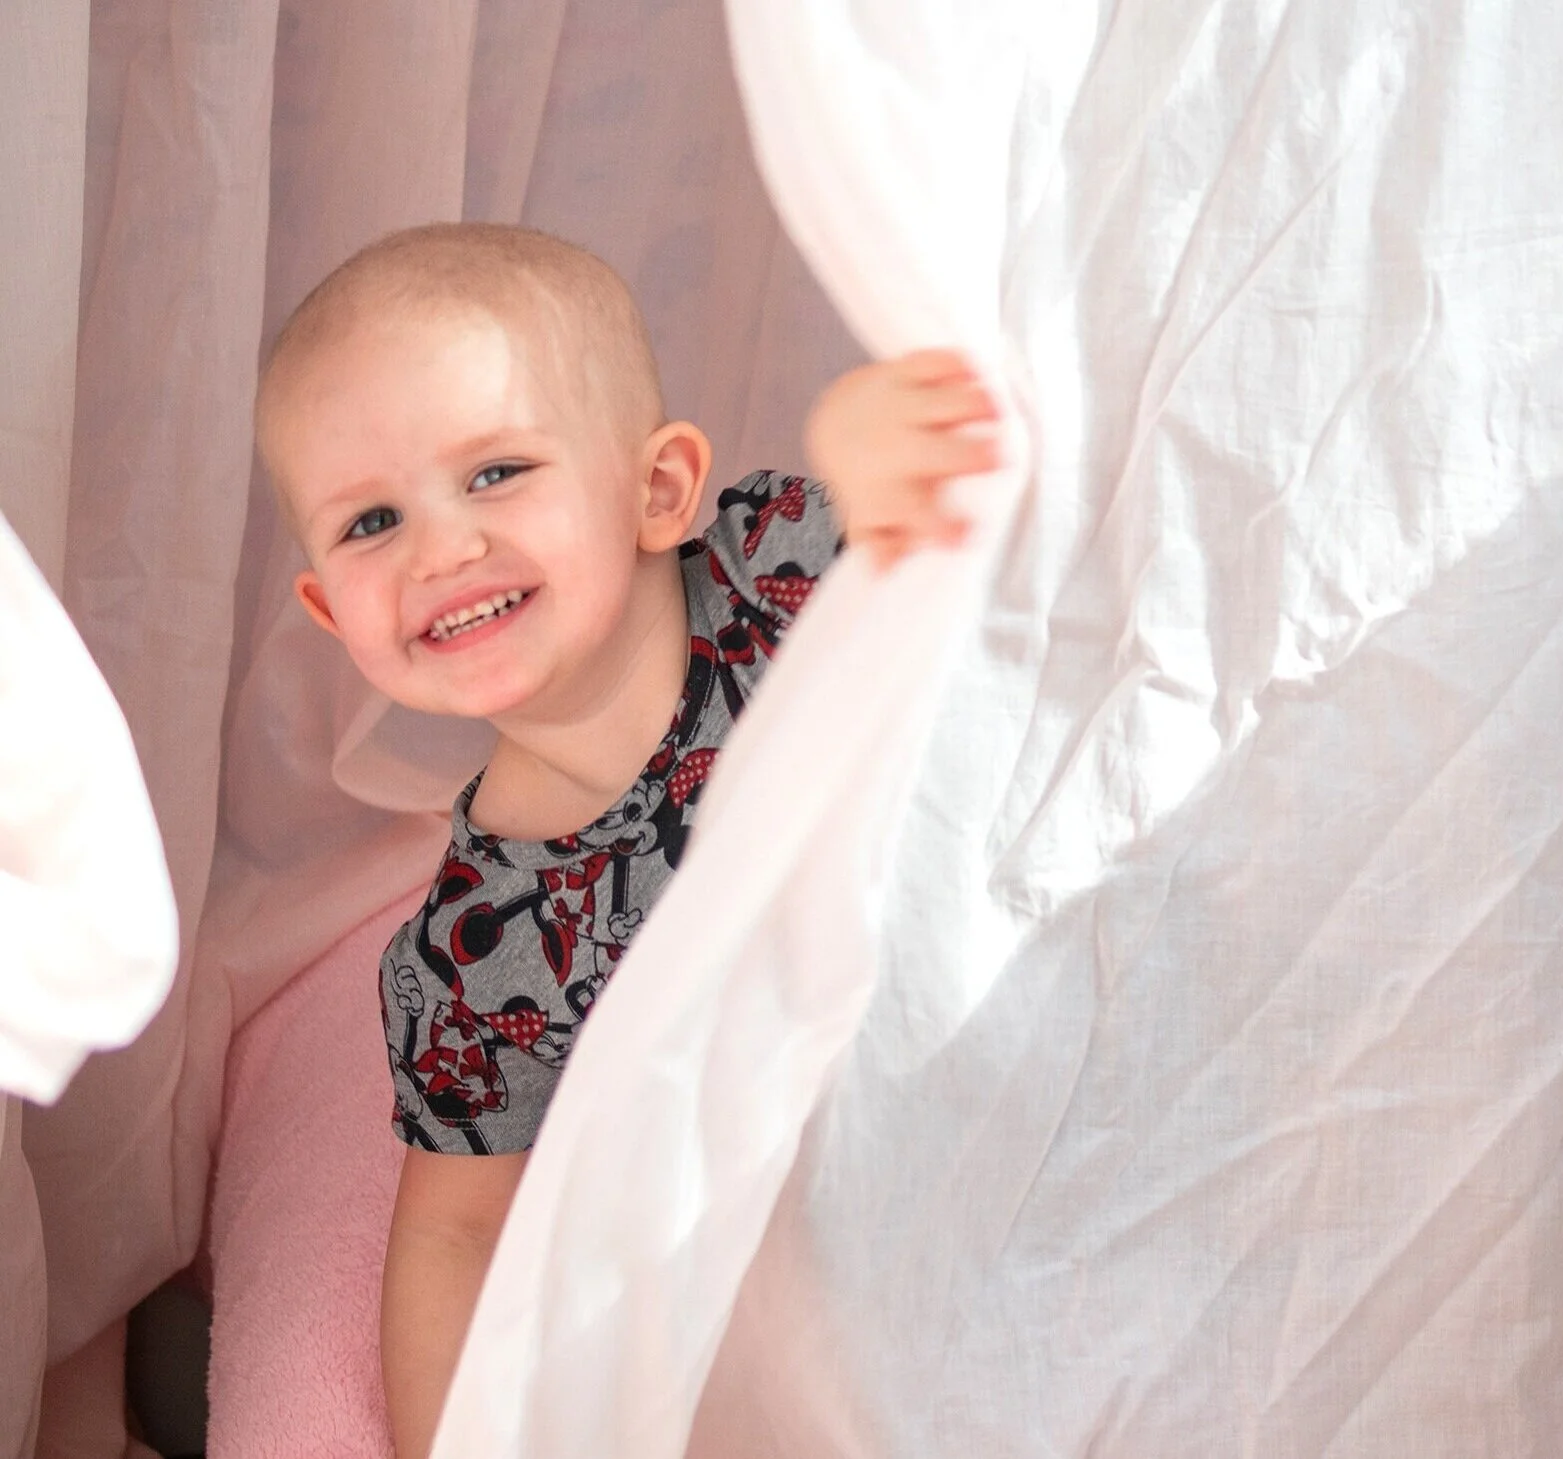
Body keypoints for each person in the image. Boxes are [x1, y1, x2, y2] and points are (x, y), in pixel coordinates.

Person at [253, 222, 1002, 1459]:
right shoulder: (477, 955)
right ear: (335, 615)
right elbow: (457, 1235)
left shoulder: (780, 573)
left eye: (495, 472)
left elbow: (949, 536)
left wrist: (872, 434)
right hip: (849, 1257)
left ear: (658, 489)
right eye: (372, 521)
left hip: (995, 1037)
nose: (443, 548)